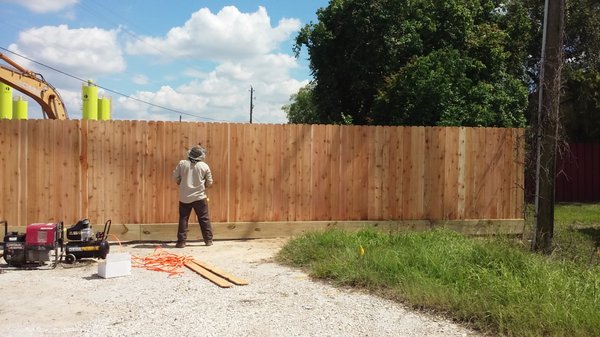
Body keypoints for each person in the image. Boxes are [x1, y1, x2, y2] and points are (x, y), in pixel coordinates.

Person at [172, 145, 213, 248]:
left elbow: (175, 177)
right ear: (201, 156)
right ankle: (208, 241)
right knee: (204, 219)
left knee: (183, 219)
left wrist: (180, 183)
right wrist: (204, 186)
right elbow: (209, 182)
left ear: (190, 154)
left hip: (184, 197)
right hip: (200, 197)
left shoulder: (182, 164)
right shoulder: (204, 166)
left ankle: (181, 242)